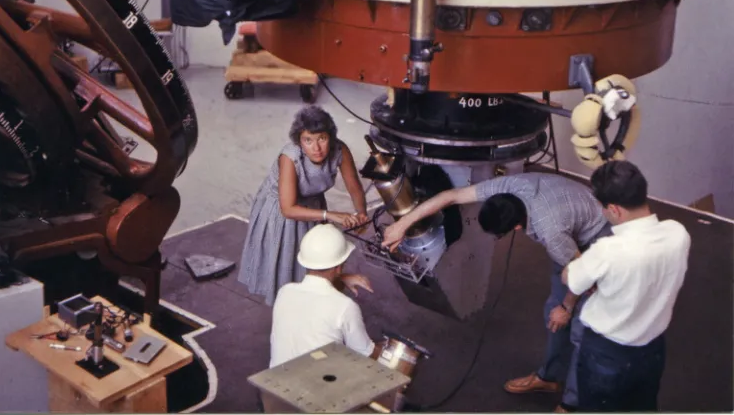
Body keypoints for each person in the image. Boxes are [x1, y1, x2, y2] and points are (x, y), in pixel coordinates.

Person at [382, 172, 611, 412]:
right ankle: (549, 378)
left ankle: (572, 404)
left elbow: (581, 275)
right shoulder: (508, 186)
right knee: (552, 314)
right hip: (571, 223)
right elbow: (451, 196)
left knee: (581, 329)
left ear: (517, 226)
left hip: (598, 236)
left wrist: (567, 307)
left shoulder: (550, 231)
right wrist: (401, 225)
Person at [562, 161, 690, 412]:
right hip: (652, 351)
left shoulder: (608, 250)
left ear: (614, 209)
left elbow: (571, 279)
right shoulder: (678, 233)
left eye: (602, 209)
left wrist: (580, 265)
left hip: (607, 355)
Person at [238, 105, 369, 306]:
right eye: (308, 140)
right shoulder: (289, 157)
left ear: (330, 137)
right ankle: (289, 310)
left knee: (314, 260)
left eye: (322, 139)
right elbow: (288, 208)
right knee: (285, 266)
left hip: (314, 205)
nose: (316, 148)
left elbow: (355, 188)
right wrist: (331, 215)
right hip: (282, 212)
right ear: (300, 140)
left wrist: (361, 213)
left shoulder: (340, 149)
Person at [269, 224, 380, 368]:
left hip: (276, 383)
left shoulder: (284, 292)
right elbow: (366, 354)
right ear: (339, 267)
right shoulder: (345, 306)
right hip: (320, 387)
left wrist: (340, 278)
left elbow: (319, 298)